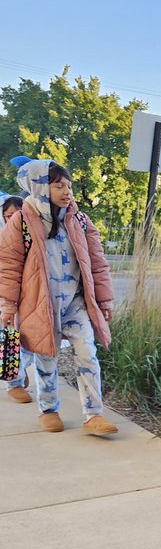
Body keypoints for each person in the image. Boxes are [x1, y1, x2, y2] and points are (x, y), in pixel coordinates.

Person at [0, 159, 118, 435]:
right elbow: (8, 267)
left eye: (68, 186)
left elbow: (97, 262)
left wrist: (104, 300)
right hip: (40, 304)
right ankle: (49, 409)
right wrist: (7, 305)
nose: (67, 192)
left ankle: (93, 414)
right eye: (58, 185)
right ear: (40, 187)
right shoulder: (20, 223)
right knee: (46, 358)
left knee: (87, 353)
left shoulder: (78, 219)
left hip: (76, 303)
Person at [0, 194, 33, 403]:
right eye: (6, 216)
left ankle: (20, 367)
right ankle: (13, 383)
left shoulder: (34, 235)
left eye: (14, 215)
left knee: (31, 341)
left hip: (30, 294)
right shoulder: (3, 236)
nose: (10, 219)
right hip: (5, 294)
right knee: (8, 336)